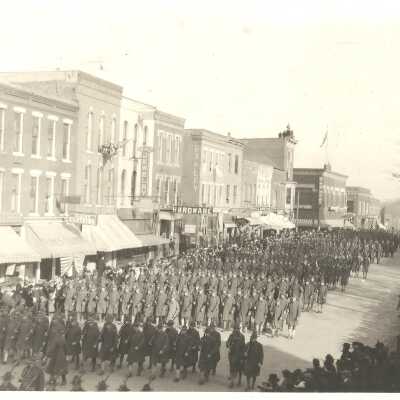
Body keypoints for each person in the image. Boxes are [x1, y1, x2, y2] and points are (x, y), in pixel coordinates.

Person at [226, 323, 245, 388]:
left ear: (239, 329)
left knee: (238, 369)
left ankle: (235, 381)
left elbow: (243, 347)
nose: (236, 330)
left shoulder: (242, 336)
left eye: (237, 329)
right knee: (232, 367)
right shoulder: (231, 335)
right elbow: (227, 343)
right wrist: (228, 345)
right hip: (231, 354)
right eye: (235, 329)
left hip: (239, 355)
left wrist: (243, 356)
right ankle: (232, 378)